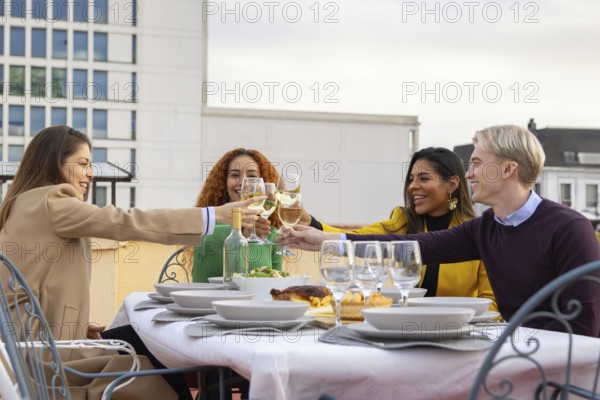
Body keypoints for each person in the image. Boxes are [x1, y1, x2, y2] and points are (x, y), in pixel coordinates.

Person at [0, 126, 262, 400]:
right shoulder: (53, 201)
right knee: (158, 360)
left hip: (28, 354)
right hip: (48, 364)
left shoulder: (22, 205)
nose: (90, 173)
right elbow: (125, 221)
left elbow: (36, 287)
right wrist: (212, 216)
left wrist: (79, 327)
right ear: (53, 162)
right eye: (83, 163)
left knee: (141, 340)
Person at [280, 125, 600, 337]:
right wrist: (326, 240)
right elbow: (411, 246)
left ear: (507, 169)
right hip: (508, 358)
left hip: (551, 374)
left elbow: (584, 330)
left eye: (476, 163)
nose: (469, 173)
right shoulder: (485, 228)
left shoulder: (570, 229)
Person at [303, 147, 497, 310]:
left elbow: (491, 302)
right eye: (411, 179)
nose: (412, 186)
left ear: (452, 184)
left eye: (424, 178)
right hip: (405, 326)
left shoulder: (475, 233)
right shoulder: (403, 221)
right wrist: (311, 223)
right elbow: (359, 238)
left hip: (459, 330)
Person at [191, 148, 282, 283]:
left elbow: (277, 284)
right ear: (223, 182)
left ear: (263, 185)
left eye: (252, 177)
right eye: (235, 175)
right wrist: (241, 229)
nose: (243, 182)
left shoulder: (270, 232)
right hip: (208, 302)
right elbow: (209, 245)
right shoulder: (209, 222)